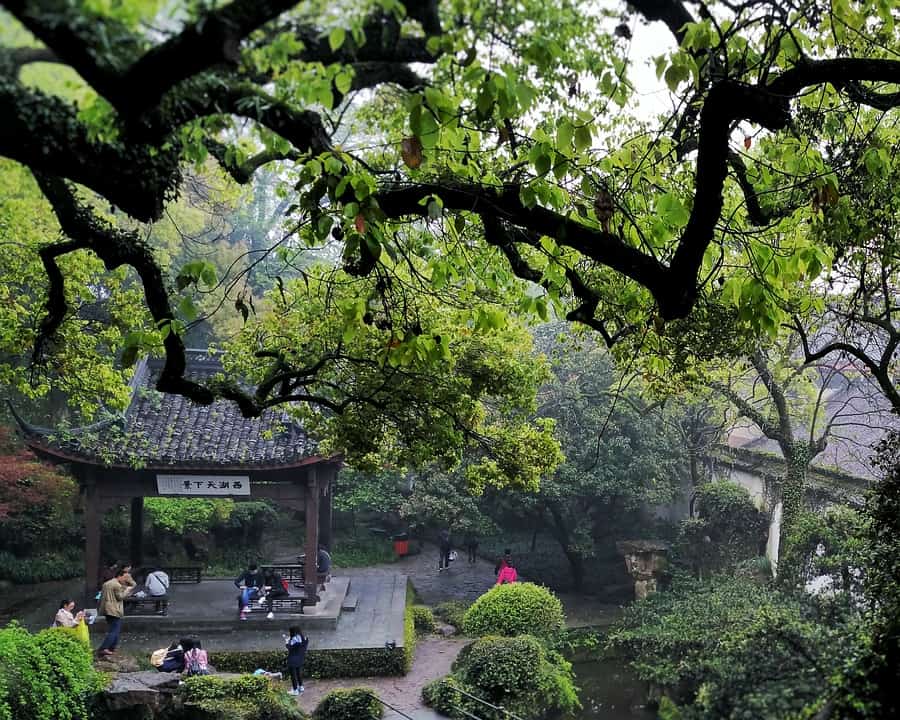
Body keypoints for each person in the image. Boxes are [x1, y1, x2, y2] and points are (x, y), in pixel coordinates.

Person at [97, 567, 136, 657]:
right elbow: (120, 597)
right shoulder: (117, 585)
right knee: (114, 630)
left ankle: (112, 647)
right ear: (120, 576)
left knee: (114, 629)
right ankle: (104, 648)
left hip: (106, 609)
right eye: (124, 577)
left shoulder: (106, 583)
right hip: (114, 609)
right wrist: (127, 591)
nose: (125, 579)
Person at [285, 626, 309, 695]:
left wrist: (287, 642)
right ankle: (301, 686)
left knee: (293, 675)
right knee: (299, 673)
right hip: (300, 659)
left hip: (292, 660)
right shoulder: (305, 639)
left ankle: (295, 690)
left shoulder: (294, 640)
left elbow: (289, 648)